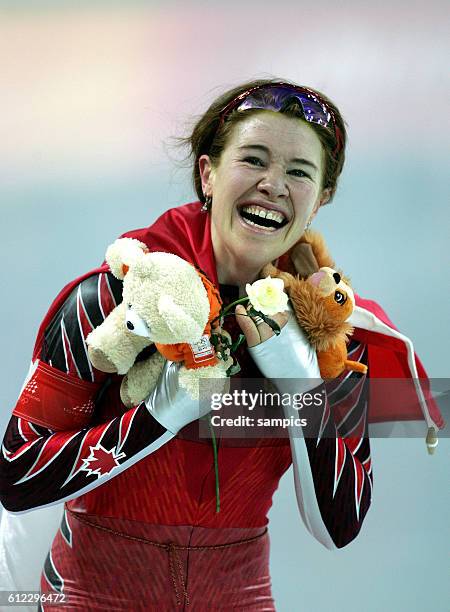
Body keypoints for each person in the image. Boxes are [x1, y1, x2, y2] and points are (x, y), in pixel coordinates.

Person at [0, 79, 443, 611]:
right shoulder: (114, 303)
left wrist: (302, 387)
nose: (273, 184)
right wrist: (158, 418)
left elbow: (339, 525)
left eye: (299, 172)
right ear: (208, 175)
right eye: (253, 160)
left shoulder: (329, 336)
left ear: (321, 199)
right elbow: (16, 477)